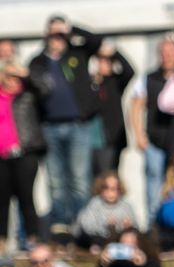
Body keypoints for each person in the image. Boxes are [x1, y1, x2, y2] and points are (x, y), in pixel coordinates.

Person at [28, 16, 102, 229]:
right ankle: (61, 226)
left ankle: (82, 226)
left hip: (78, 126)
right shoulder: (38, 62)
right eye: (53, 34)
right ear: (46, 35)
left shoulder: (77, 55)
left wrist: (72, 29)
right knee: (56, 181)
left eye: (61, 34)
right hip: (49, 127)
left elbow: (96, 41)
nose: (57, 39)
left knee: (79, 179)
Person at [128, 37, 174, 220]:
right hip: (155, 142)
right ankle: (154, 229)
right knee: (154, 189)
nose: (166, 57)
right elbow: (135, 106)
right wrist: (139, 135)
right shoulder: (149, 78)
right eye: (163, 53)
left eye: (170, 53)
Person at [0, 60, 44, 250]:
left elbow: (44, 88)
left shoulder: (27, 96)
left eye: (17, 78)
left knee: (26, 197)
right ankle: (2, 240)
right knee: (2, 200)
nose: (13, 81)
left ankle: (32, 238)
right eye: (10, 77)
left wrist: (24, 73)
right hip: (2, 157)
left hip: (25, 153)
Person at [88, 44, 134, 175]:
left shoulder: (115, 82)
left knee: (108, 176)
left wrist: (114, 52)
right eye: (100, 61)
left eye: (107, 61)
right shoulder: (88, 84)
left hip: (110, 142)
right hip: (90, 141)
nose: (103, 64)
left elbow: (129, 71)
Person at [75, 172, 137, 250]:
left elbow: (135, 226)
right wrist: (105, 226)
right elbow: (87, 225)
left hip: (118, 239)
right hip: (97, 237)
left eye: (113, 189)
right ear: (100, 189)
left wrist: (126, 227)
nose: (109, 192)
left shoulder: (126, 206)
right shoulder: (95, 203)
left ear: (120, 190)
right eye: (106, 188)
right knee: (88, 237)